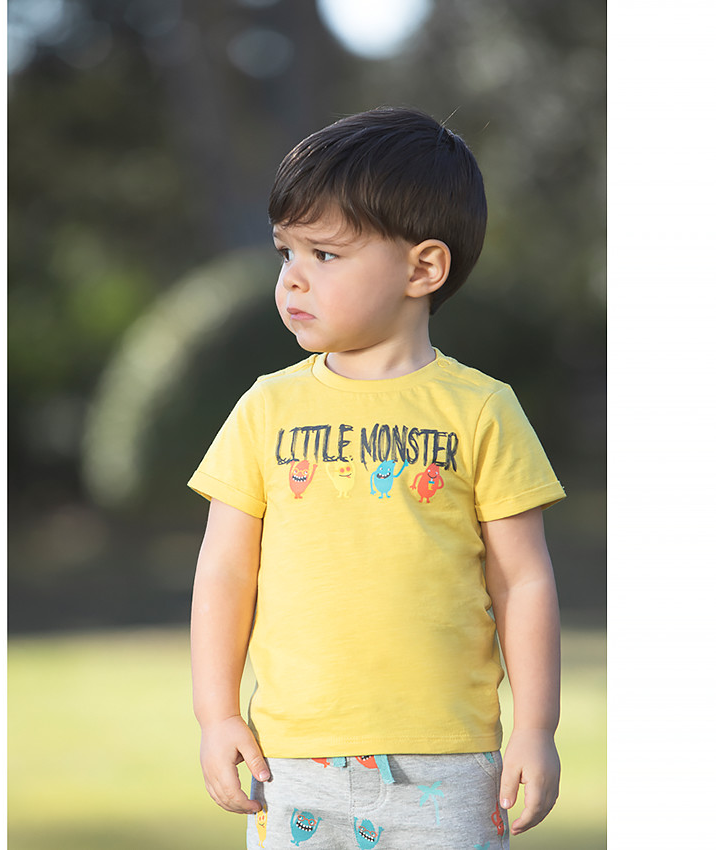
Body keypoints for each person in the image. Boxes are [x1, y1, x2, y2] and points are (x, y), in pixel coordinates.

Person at [188, 106, 565, 849]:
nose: (292, 279)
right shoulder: (266, 408)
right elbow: (226, 571)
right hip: (294, 762)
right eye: (285, 253)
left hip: (451, 764)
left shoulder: (482, 411)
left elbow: (522, 581)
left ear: (422, 268)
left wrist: (536, 728)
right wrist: (218, 715)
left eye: (324, 256)